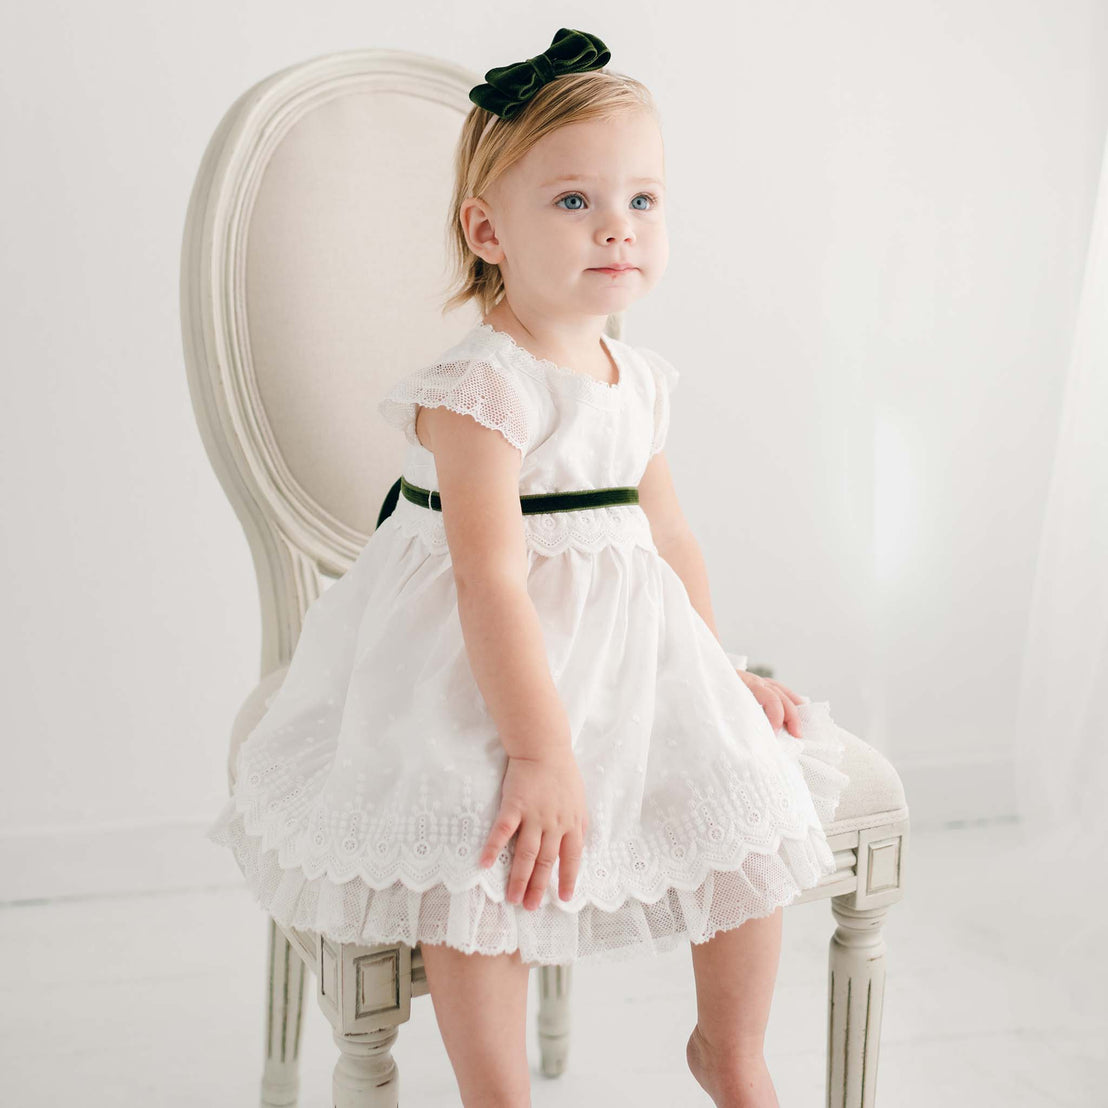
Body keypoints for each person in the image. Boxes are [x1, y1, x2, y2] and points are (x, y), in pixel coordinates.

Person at [207, 27, 853, 1108]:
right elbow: (487, 583)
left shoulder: (635, 376)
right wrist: (541, 753)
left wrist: (716, 667)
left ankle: (729, 1050)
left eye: (642, 200)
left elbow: (670, 540)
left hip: (621, 654)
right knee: (477, 830)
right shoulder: (482, 390)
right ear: (486, 229)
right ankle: (494, 1089)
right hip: (478, 670)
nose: (616, 226)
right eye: (572, 202)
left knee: (752, 794)